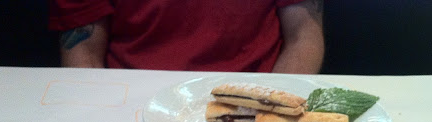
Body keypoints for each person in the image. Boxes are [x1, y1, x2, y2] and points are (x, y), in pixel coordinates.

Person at [48, 0, 324, 73]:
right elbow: (83, 55)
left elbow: (303, 36)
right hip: (130, 104)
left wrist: (272, 115)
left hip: (252, 99)